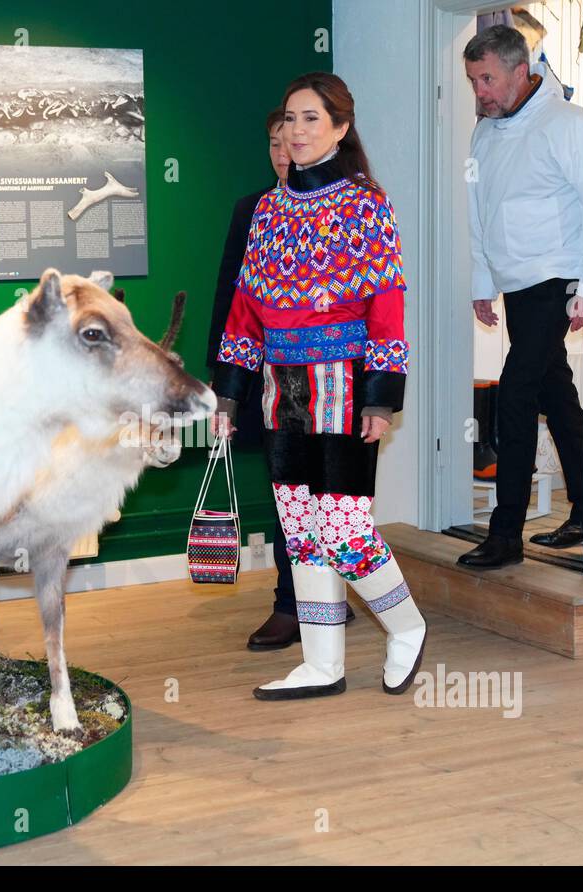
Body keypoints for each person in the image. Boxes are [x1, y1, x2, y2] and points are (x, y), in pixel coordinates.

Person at [212, 72, 427, 700]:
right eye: (290, 119)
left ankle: (405, 625)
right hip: (282, 387)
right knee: (300, 527)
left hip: (343, 384)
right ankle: (323, 661)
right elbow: (246, 308)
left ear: (339, 127)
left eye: (312, 119)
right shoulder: (268, 209)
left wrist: (382, 398)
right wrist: (229, 396)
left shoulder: (367, 202)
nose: (296, 131)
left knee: (343, 528)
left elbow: (388, 305)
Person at [207, 107, 354, 652]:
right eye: (275, 140)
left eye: (293, 134)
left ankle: (318, 600)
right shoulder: (256, 210)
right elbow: (233, 300)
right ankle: (294, 603)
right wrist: (227, 385)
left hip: (335, 378)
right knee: (287, 494)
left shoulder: (353, 205)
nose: (284, 148)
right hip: (271, 380)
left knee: (331, 497)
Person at [458, 25, 583, 570]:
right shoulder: (483, 135)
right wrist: (483, 283)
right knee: (554, 392)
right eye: (473, 81)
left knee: (515, 396)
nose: (480, 91)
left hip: (556, 281)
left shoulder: (567, 125)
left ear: (520, 70)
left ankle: (505, 532)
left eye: (487, 78)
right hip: (514, 285)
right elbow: (479, 214)